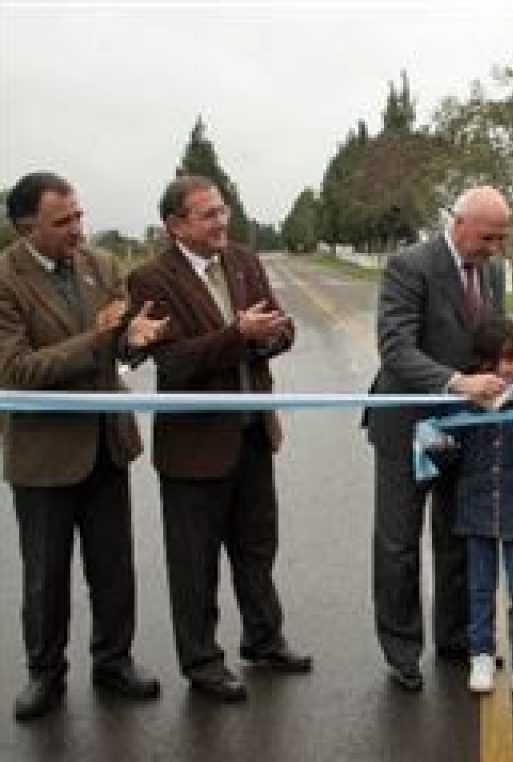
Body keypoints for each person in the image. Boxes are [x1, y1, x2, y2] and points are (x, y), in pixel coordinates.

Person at [126, 175, 310, 703]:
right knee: (195, 561)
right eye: (208, 214)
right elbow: (174, 363)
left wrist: (275, 335)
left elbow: (279, 327)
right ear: (176, 225)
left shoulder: (245, 261)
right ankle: (202, 663)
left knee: (257, 548)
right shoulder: (150, 279)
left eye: (223, 209)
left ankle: (264, 639)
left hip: (252, 435)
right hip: (194, 448)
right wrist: (238, 336)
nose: (221, 221)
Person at [0, 171, 168, 720]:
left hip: (107, 444)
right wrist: (101, 341)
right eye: (63, 221)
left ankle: (113, 661)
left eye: (79, 216)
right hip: (44, 457)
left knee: (114, 565)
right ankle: (45, 674)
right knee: (46, 574)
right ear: (27, 226)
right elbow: (15, 370)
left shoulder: (103, 266)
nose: (78, 229)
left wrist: (136, 342)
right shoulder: (6, 280)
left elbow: (120, 349)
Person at [365, 186, 511, 692]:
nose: (494, 247)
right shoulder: (411, 266)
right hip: (409, 425)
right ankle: (403, 652)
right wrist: (457, 382)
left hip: (465, 427)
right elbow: (396, 349)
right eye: (488, 236)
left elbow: (494, 343)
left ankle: (457, 641)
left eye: (501, 238)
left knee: (457, 537)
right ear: (460, 222)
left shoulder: (492, 271)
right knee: (399, 543)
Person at [419, 316, 513, 705]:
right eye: (506, 360)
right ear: (485, 361)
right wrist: (436, 443)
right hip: (475, 515)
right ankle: (482, 657)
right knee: (479, 590)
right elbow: (449, 457)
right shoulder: (465, 406)